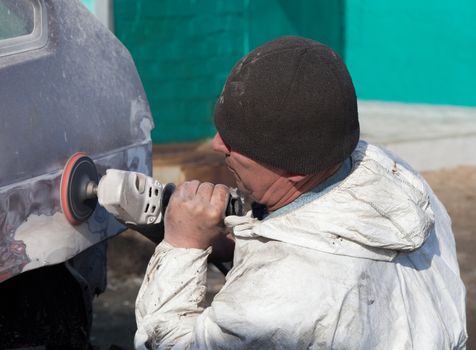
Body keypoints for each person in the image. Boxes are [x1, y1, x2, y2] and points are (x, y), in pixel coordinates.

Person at [134, 36, 467, 349]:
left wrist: (183, 246)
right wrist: (236, 244)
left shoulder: (276, 306)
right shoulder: (393, 174)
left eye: (235, 140)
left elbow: (169, 342)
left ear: (294, 167)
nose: (218, 144)